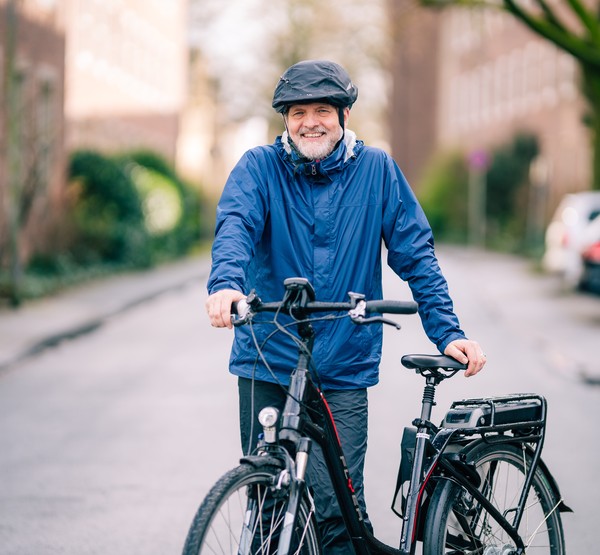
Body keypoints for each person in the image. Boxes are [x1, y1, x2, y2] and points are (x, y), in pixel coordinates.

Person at [205, 59, 487, 554]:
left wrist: (448, 332)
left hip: (342, 361)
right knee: (268, 497)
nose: (309, 121)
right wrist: (226, 284)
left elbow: (415, 254)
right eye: (297, 112)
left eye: (321, 110)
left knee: (336, 506)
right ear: (285, 120)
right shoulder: (258, 167)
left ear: (344, 115)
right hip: (267, 353)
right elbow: (236, 226)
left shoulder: (376, 171)